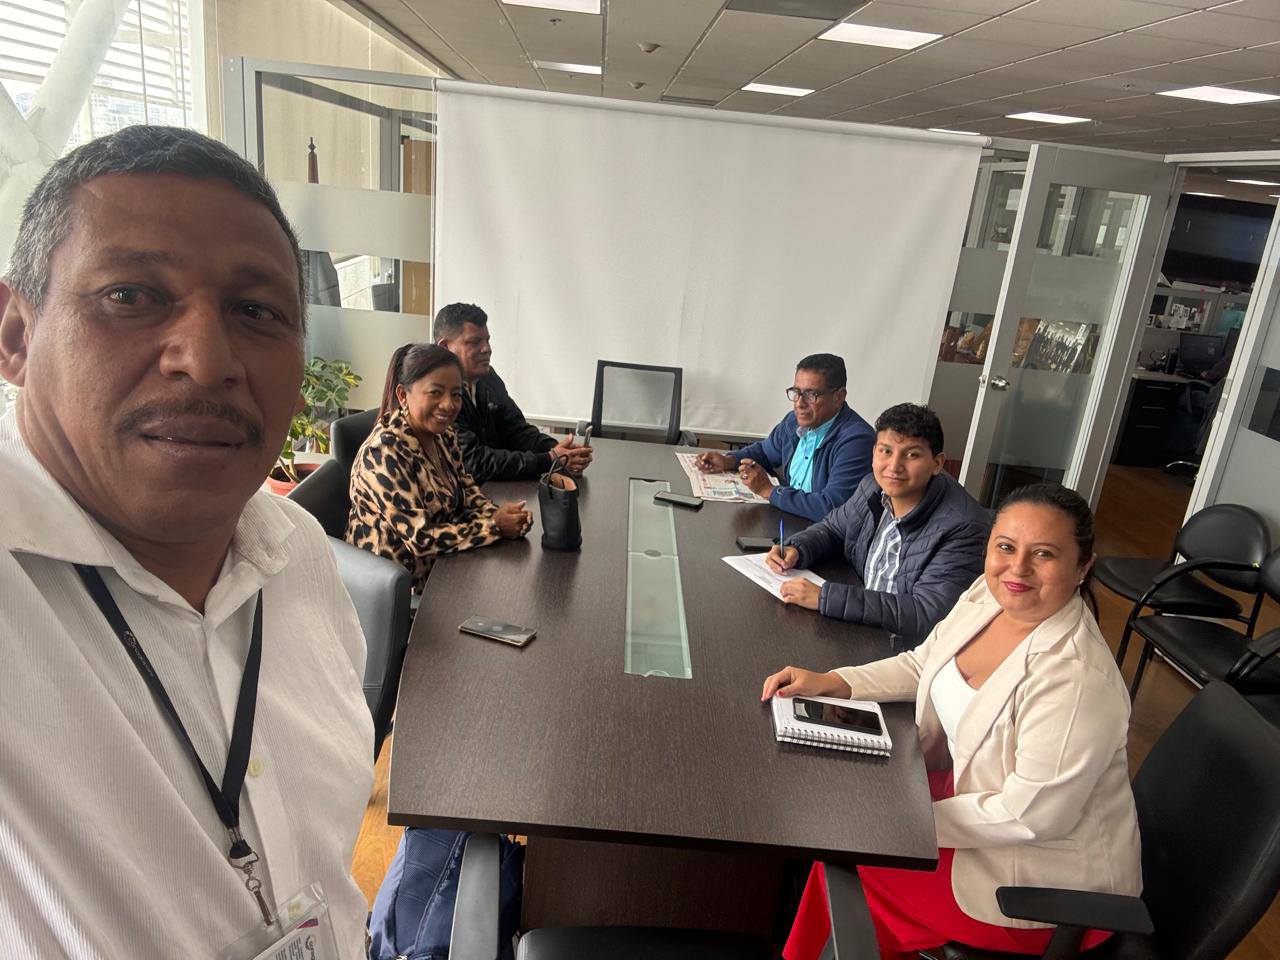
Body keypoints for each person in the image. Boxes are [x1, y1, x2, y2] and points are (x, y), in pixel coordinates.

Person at [0, 126, 373, 957]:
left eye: (256, 312)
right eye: (131, 295)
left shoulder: (298, 554)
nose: (205, 361)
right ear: (16, 336)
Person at [762, 483, 1139, 960]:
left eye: (1044, 554)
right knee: (836, 812)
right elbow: (924, 662)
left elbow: (1029, 815)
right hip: (971, 804)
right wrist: (834, 681)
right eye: (1006, 547)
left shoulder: (1076, 678)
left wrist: (901, 823)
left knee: (846, 861)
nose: (1017, 568)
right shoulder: (988, 595)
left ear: (1082, 567)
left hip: (1035, 881)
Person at [766, 403, 989, 646]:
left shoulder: (964, 527)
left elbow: (925, 613)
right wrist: (797, 548)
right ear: (874, 452)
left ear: (937, 463)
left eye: (912, 455)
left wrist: (825, 597)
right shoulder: (872, 486)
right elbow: (833, 529)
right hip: (860, 628)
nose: (894, 466)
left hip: (905, 650)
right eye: (886, 451)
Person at [346, 342, 532, 593]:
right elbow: (421, 539)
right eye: (435, 393)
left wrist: (500, 514)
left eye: (456, 394)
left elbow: (466, 489)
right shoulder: (383, 453)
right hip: (399, 590)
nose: (449, 405)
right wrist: (495, 527)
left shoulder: (443, 435)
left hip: (446, 565)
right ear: (403, 395)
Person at [696, 353, 873, 521]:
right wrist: (729, 461)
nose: (799, 403)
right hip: (789, 522)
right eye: (796, 392)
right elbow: (764, 452)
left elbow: (831, 508)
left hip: (822, 535)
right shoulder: (793, 421)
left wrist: (769, 491)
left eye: (811, 394)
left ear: (839, 396)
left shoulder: (856, 441)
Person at [434, 302, 591, 483]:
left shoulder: (487, 377)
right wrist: (549, 459)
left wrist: (563, 451)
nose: (487, 349)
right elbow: (473, 462)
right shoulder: (437, 396)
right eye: (474, 342)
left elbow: (517, 431)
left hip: (491, 489)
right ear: (444, 347)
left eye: (487, 340)